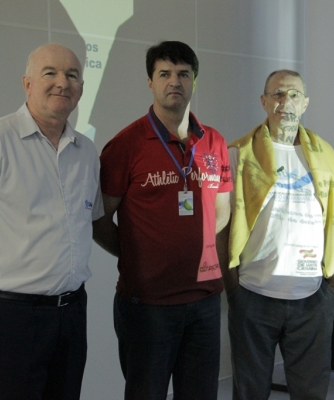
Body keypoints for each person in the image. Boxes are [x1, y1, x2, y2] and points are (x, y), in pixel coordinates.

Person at [0, 43, 103, 400]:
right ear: (27, 83)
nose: (62, 82)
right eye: (50, 73)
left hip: (70, 316)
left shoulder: (86, 152)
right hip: (7, 320)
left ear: (81, 88)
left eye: (72, 75)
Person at [92, 41, 232, 400]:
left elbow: (222, 212)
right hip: (147, 304)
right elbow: (99, 219)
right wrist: (137, 254)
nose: (175, 82)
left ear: (194, 82)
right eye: (165, 74)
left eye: (184, 74)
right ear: (150, 82)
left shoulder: (214, 142)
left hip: (204, 300)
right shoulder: (126, 145)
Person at [221, 69, 334, 400]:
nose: (286, 102)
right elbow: (223, 224)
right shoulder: (239, 154)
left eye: (294, 94)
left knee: (311, 393)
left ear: (305, 103)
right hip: (253, 293)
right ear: (264, 101)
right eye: (278, 94)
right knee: (250, 392)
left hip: (312, 296)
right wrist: (232, 285)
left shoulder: (325, 156)